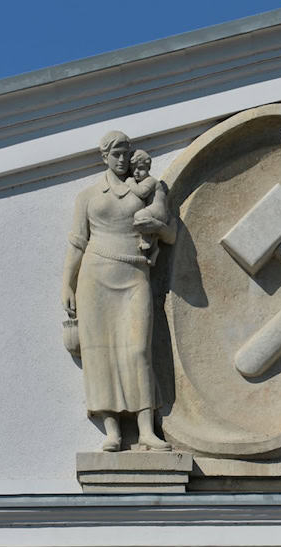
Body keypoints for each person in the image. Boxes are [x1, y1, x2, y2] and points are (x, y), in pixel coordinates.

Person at [61, 131, 176, 452]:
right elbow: (77, 242)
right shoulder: (89, 195)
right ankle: (112, 429)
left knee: (138, 350)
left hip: (134, 272)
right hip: (95, 277)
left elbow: (170, 234)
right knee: (101, 353)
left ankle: (145, 429)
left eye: (126, 153)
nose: (123, 160)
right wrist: (67, 283)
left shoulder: (149, 189)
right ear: (105, 157)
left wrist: (158, 228)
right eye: (116, 155)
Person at [128, 150, 169, 256]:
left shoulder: (150, 180)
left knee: (140, 215)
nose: (136, 172)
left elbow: (142, 193)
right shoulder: (144, 180)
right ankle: (154, 251)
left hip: (158, 210)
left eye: (141, 168)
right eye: (133, 169)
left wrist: (130, 182)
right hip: (158, 212)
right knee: (152, 233)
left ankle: (146, 240)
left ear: (148, 168)